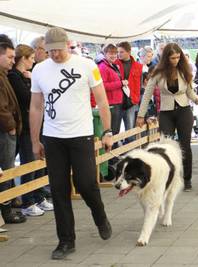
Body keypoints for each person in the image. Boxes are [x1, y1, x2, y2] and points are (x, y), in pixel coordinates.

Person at [29, 27, 113, 260]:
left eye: (58, 49)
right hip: (53, 137)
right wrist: (35, 141)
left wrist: (107, 131)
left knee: (86, 184)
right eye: (49, 51)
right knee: (59, 190)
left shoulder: (87, 65)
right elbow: (36, 107)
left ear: (67, 45)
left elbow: (102, 100)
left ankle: (100, 215)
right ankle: (66, 240)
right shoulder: (39, 70)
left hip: (81, 135)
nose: (54, 55)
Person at [136, 43, 198, 192]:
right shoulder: (157, 72)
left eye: (178, 57)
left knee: (185, 145)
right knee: (165, 146)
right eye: (173, 58)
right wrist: (141, 115)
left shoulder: (185, 70)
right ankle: (167, 177)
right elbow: (147, 94)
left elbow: (190, 92)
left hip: (184, 111)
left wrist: (197, 99)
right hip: (166, 112)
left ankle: (187, 179)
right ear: (166, 57)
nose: (176, 60)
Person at [8, 44, 54, 217]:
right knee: (29, 163)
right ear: (24, 58)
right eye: (31, 59)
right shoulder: (14, 76)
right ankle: (28, 201)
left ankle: (38, 195)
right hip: (26, 128)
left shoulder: (26, 76)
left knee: (40, 163)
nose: (33, 62)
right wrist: (30, 80)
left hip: (37, 125)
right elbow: (29, 98)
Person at [0, 35, 26, 224]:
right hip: (5, 131)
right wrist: (10, 127)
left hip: (8, 130)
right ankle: (6, 210)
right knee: (6, 170)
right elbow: (2, 107)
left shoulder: (4, 75)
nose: (12, 60)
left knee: (7, 169)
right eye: (9, 57)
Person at [115, 41, 143, 143]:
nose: (119, 54)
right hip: (117, 102)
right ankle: (115, 156)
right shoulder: (114, 64)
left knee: (130, 132)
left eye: (121, 52)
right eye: (118, 52)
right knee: (115, 131)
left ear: (129, 52)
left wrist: (136, 99)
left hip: (131, 102)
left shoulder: (138, 66)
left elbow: (139, 85)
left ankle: (129, 154)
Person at [97, 44, 123, 150]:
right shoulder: (103, 67)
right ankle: (110, 159)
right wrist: (120, 83)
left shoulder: (113, 65)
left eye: (115, 53)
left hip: (117, 102)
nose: (113, 55)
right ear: (105, 54)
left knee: (116, 131)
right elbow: (102, 86)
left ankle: (113, 157)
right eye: (110, 53)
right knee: (111, 132)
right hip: (111, 103)